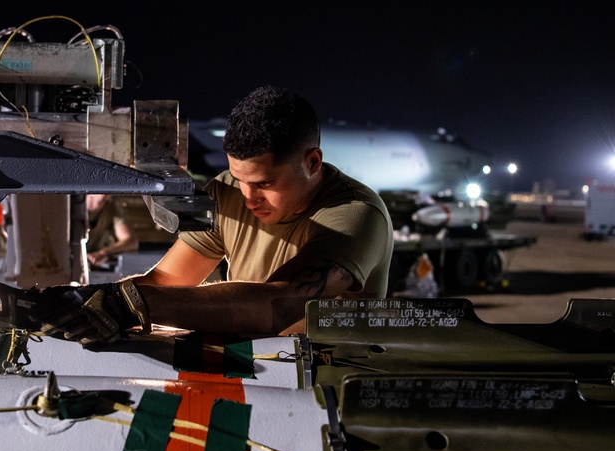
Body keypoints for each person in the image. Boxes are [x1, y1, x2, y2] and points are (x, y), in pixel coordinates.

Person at [32, 86, 393, 344]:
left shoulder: (356, 215)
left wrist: (134, 305)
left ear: (312, 162)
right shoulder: (229, 192)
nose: (249, 197)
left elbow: (277, 305)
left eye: (264, 183)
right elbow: (169, 282)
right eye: (239, 178)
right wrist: (84, 300)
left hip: (324, 383)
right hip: (250, 361)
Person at [84, 194, 138, 269]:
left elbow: (131, 241)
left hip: (92, 267)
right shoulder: (69, 203)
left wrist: (103, 253)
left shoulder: (111, 207)